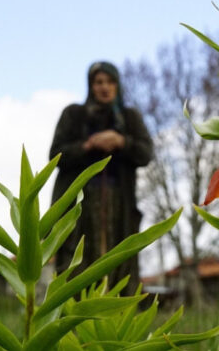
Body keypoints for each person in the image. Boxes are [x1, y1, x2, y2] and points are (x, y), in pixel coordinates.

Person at [49, 61, 153, 294]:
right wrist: (88, 145)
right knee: (77, 262)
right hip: (80, 203)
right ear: (91, 86)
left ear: (117, 85)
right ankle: (73, 322)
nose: (104, 87)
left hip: (120, 204)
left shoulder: (129, 117)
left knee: (120, 262)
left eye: (110, 81)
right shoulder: (74, 115)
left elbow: (146, 153)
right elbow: (55, 155)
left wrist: (121, 141)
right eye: (98, 82)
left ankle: (118, 321)